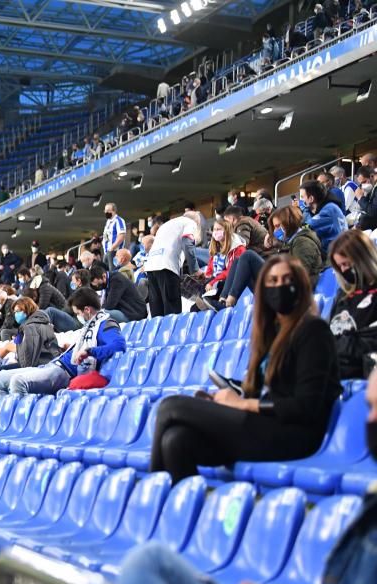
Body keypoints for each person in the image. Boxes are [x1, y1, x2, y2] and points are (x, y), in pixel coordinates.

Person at [120, 366, 377, 584]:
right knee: (150, 561)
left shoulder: (313, 334)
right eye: (369, 407)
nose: (369, 421)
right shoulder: (371, 503)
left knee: (172, 408)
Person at [149, 254, 341, 484]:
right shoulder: (271, 332)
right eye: (273, 282)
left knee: (172, 406)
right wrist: (226, 400)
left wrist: (242, 404)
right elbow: (262, 391)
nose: (280, 287)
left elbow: (306, 406)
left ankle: (150, 493)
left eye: (286, 280)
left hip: (295, 433)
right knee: (176, 440)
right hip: (267, 425)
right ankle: (182, 513)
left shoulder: (313, 330)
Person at [0, 288, 124, 395]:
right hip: (52, 364)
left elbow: (119, 345)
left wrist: (88, 351)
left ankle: (21, 423)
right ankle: (9, 417)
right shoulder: (90, 326)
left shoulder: (106, 324)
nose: (78, 317)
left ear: (87, 310)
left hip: (63, 372)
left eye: (78, 313)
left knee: (17, 382)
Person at [328, 230, 377, 379]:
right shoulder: (343, 296)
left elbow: (370, 342)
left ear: (363, 258)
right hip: (333, 371)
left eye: (346, 264)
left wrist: (339, 344)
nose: (344, 270)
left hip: (360, 374)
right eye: (339, 267)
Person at [144, 211, 201, 316]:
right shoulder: (190, 223)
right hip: (167, 266)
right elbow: (187, 243)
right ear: (196, 222)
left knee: (157, 311)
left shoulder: (166, 225)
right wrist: (195, 269)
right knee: (172, 311)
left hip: (151, 266)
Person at [299, 179, 347, 253]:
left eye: (302, 197)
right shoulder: (319, 209)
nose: (300, 200)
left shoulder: (329, 209)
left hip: (337, 254)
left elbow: (306, 227)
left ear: (311, 198)